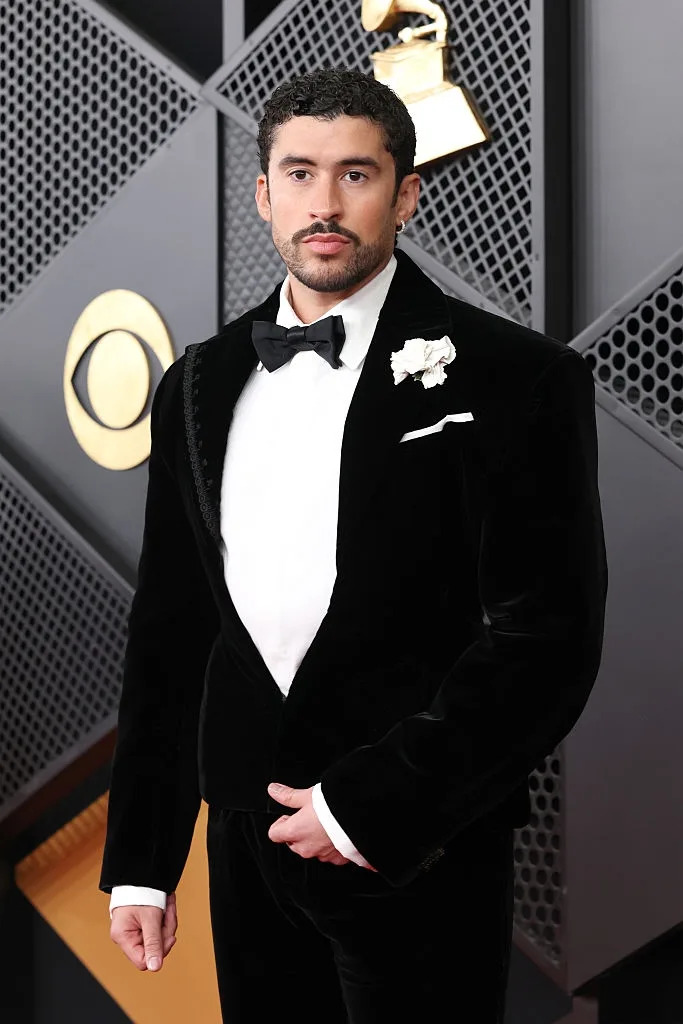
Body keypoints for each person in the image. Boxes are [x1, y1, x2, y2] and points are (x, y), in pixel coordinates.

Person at [100, 66, 607, 1023]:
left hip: (417, 840)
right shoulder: (196, 384)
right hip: (245, 840)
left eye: (356, 175)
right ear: (261, 193)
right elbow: (171, 633)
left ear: (405, 193)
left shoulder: (517, 378)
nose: (323, 203)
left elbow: (549, 638)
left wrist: (373, 805)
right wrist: (142, 861)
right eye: (297, 173)